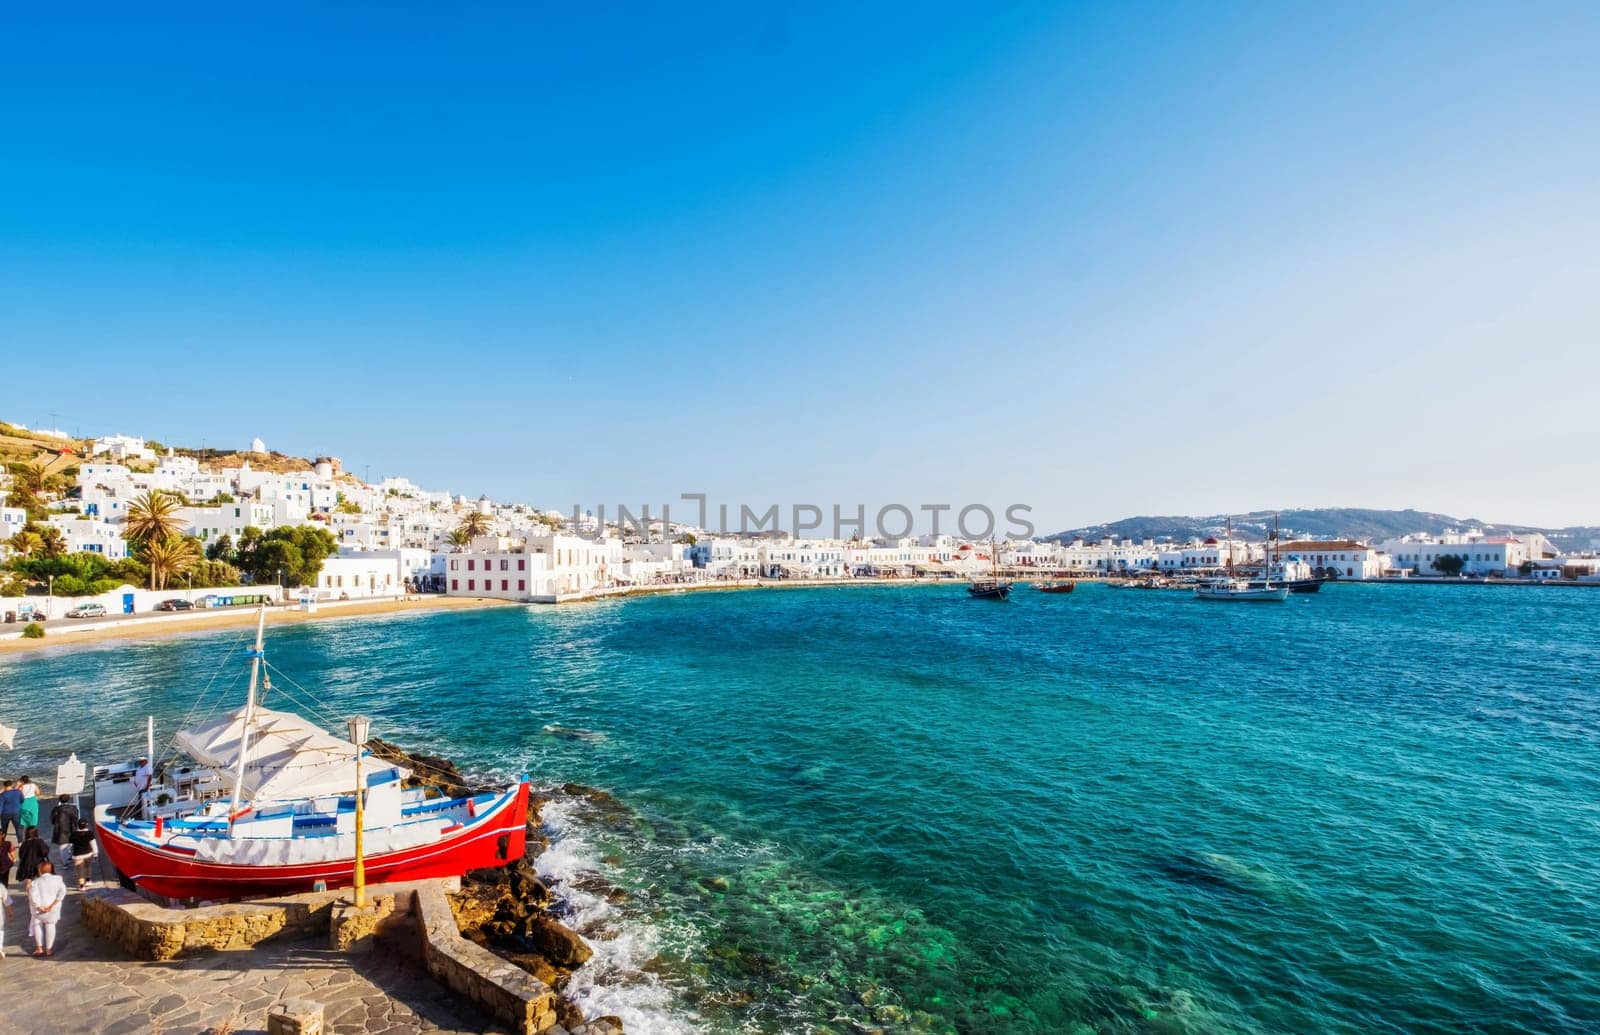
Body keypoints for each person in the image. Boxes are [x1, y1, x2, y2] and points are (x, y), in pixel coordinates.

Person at [27, 859, 65, 957]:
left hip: (39, 909)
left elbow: (33, 896)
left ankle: (39, 948)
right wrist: (53, 904)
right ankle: (49, 949)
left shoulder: (36, 882)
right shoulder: (58, 879)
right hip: (53, 908)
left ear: (40, 870)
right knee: (50, 926)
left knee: (37, 925)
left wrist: (39, 907)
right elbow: (62, 892)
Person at [49, 796, 79, 870]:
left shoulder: (56, 809)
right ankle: (71, 857)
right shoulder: (73, 808)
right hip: (72, 829)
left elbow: (52, 820)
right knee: (71, 845)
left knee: (62, 848)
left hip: (60, 830)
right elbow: (76, 818)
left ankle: (65, 863)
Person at [68, 819, 97, 888]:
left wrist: (70, 854)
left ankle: (82, 886)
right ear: (86, 825)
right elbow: (93, 844)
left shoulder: (73, 834)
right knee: (88, 867)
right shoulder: (90, 833)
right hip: (88, 854)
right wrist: (95, 853)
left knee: (80, 871)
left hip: (77, 855)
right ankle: (88, 880)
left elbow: (70, 846)